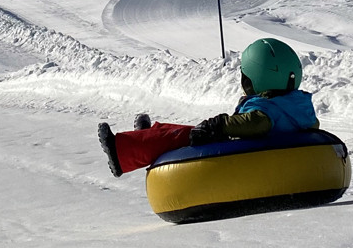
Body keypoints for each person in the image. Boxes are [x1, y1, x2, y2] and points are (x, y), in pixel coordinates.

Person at [97, 38, 319, 177]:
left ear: (256, 78)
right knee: (189, 130)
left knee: (183, 136)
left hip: (245, 159)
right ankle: (147, 135)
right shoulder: (296, 104)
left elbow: (257, 123)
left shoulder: (266, 109)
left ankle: (121, 152)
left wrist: (220, 125)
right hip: (263, 152)